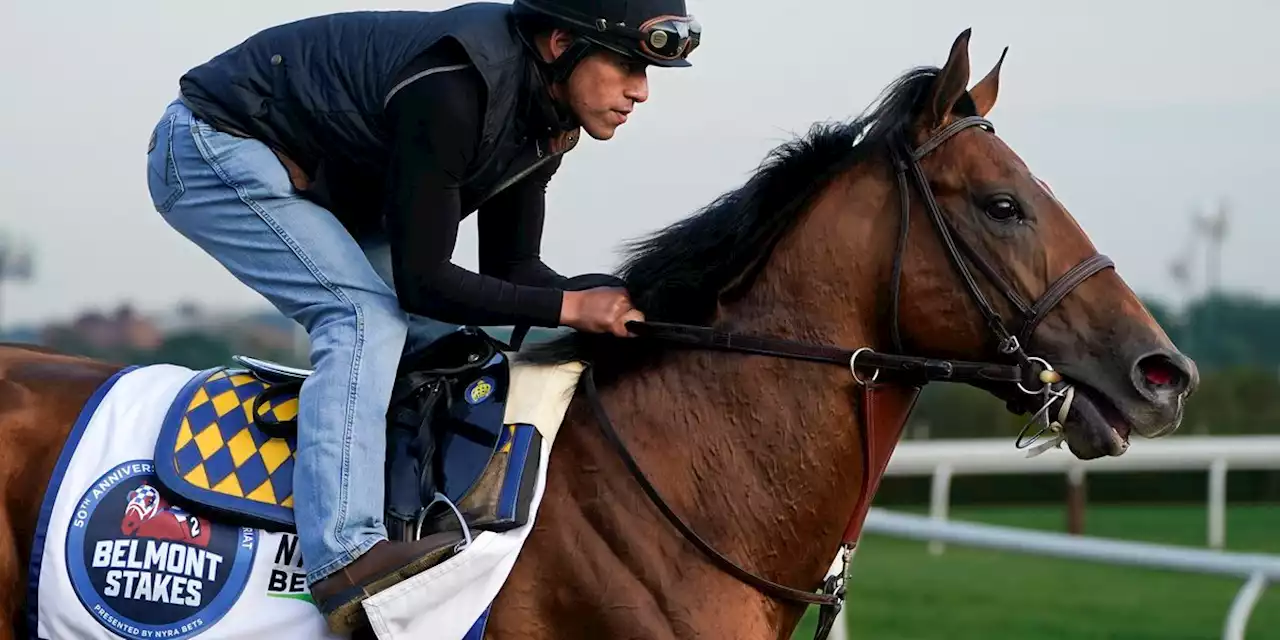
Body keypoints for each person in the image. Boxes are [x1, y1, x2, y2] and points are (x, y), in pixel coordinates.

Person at [143, 0, 701, 632]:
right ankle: (343, 556)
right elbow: (425, 280)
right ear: (558, 44)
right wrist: (571, 306)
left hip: (317, 182)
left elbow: (513, 273)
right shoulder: (457, 89)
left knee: (447, 343)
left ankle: (407, 512)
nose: (642, 92)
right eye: (628, 64)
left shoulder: (544, 116)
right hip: (214, 147)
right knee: (362, 320)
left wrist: (620, 302)